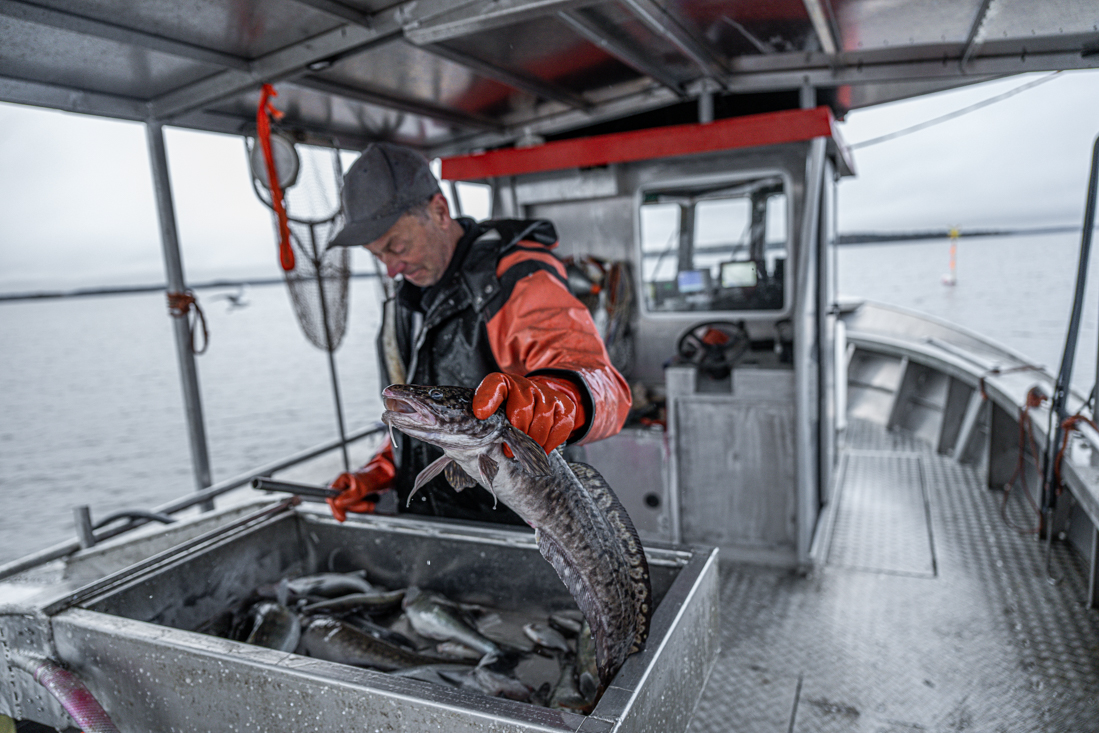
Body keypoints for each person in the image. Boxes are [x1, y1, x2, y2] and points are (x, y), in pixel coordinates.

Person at [324, 142, 631, 524]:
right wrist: (381, 472)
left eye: (396, 246)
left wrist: (557, 398)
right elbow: (426, 416)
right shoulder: (406, 304)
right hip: (434, 526)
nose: (390, 269)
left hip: (522, 527)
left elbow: (607, 389)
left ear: (439, 210)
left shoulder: (516, 279)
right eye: (378, 256)